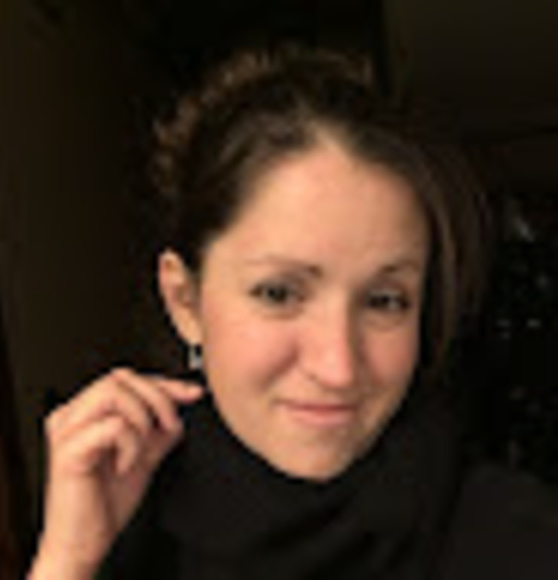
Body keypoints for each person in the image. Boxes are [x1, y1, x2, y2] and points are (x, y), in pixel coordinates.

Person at [27, 45, 558, 580]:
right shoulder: (113, 524)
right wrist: (65, 562)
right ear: (184, 301)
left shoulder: (513, 535)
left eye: (384, 301)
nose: (338, 368)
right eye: (279, 293)